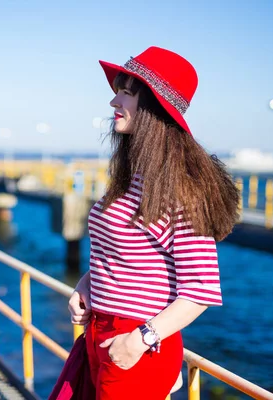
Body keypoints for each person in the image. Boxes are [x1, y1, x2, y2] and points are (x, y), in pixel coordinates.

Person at [68, 46, 240, 399]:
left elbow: (201, 289)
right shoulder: (136, 175)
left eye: (126, 93)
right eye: (117, 91)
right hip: (102, 334)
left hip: (137, 347)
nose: (114, 102)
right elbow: (125, 256)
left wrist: (138, 341)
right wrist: (87, 284)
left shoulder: (179, 189)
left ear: (153, 108)